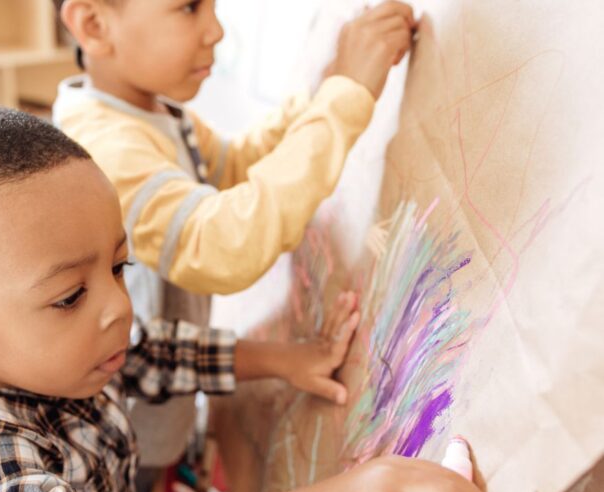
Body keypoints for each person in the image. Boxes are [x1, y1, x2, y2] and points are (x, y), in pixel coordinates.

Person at [0, 106, 495, 492]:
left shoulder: (70, 350)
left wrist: (283, 359)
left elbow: (154, 354)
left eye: (119, 266)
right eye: (69, 296)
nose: (117, 306)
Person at [52, 0, 417, 468]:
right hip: (121, 448)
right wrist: (345, 96)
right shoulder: (106, 149)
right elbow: (220, 244)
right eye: (188, 8)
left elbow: (236, 167)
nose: (217, 30)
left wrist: (321, 91)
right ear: (94, 25)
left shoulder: (150, 111)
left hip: (162, 418)